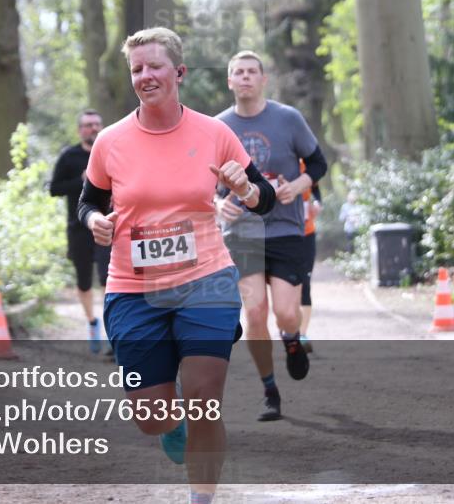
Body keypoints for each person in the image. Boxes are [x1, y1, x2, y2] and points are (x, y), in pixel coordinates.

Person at [78, 28, 275, 504]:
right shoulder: (110, 141)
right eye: (137, 69)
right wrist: (95, 221)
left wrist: (245, 189)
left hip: (205, 281)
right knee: (151, 417)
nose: (145, 76)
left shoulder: (214, 133)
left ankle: (201, 498)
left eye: (154, 66)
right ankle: (172, 424)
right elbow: (88, 202)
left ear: (179, 72)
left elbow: (264, 198)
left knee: (205, 399)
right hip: (133, 290)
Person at [215, 51, 328, 422]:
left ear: (264, 80)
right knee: (255, 312)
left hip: (285, 228)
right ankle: (269, 390)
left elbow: (318, 163)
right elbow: (201, 180)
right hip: (242, 231)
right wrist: (217, 204)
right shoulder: (218, 127)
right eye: (238, 72)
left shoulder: (288, 118)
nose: (245, 77)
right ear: (230, 81)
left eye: (252, 72)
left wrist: (297, 185)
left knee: (286, 313)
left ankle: (292, 340)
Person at [49, 109, 111, 354]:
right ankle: (92, 323)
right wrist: (81, 180)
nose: (93, 128)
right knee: (84, 282)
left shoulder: (108, 151)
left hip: (106, 225)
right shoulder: (69, 156)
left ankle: (112, 331)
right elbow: (54, 188)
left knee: (108, 279)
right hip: (78, 228)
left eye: (97, 124)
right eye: (88, 125)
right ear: (80, 130)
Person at [298, 160, 323, 354]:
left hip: (306, 233)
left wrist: (317, 203)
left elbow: (316, 190)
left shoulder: (305, 165)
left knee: (305, 283)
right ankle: (288, 329)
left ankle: (302, 334)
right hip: (280, 236)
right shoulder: (273, 160)